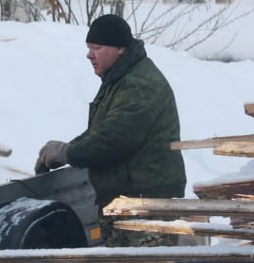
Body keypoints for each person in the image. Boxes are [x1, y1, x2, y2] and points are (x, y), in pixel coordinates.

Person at [34, 15, 186, 227]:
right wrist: (67, 149)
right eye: (89, 47)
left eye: (97, 47)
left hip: (145, 206)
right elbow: (101, 130)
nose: (89, 55)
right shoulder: (119, 79)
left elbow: (113, 140)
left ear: (120, 48)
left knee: (139, 262)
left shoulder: (139, 85)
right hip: (128, 201)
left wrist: (67, 153)